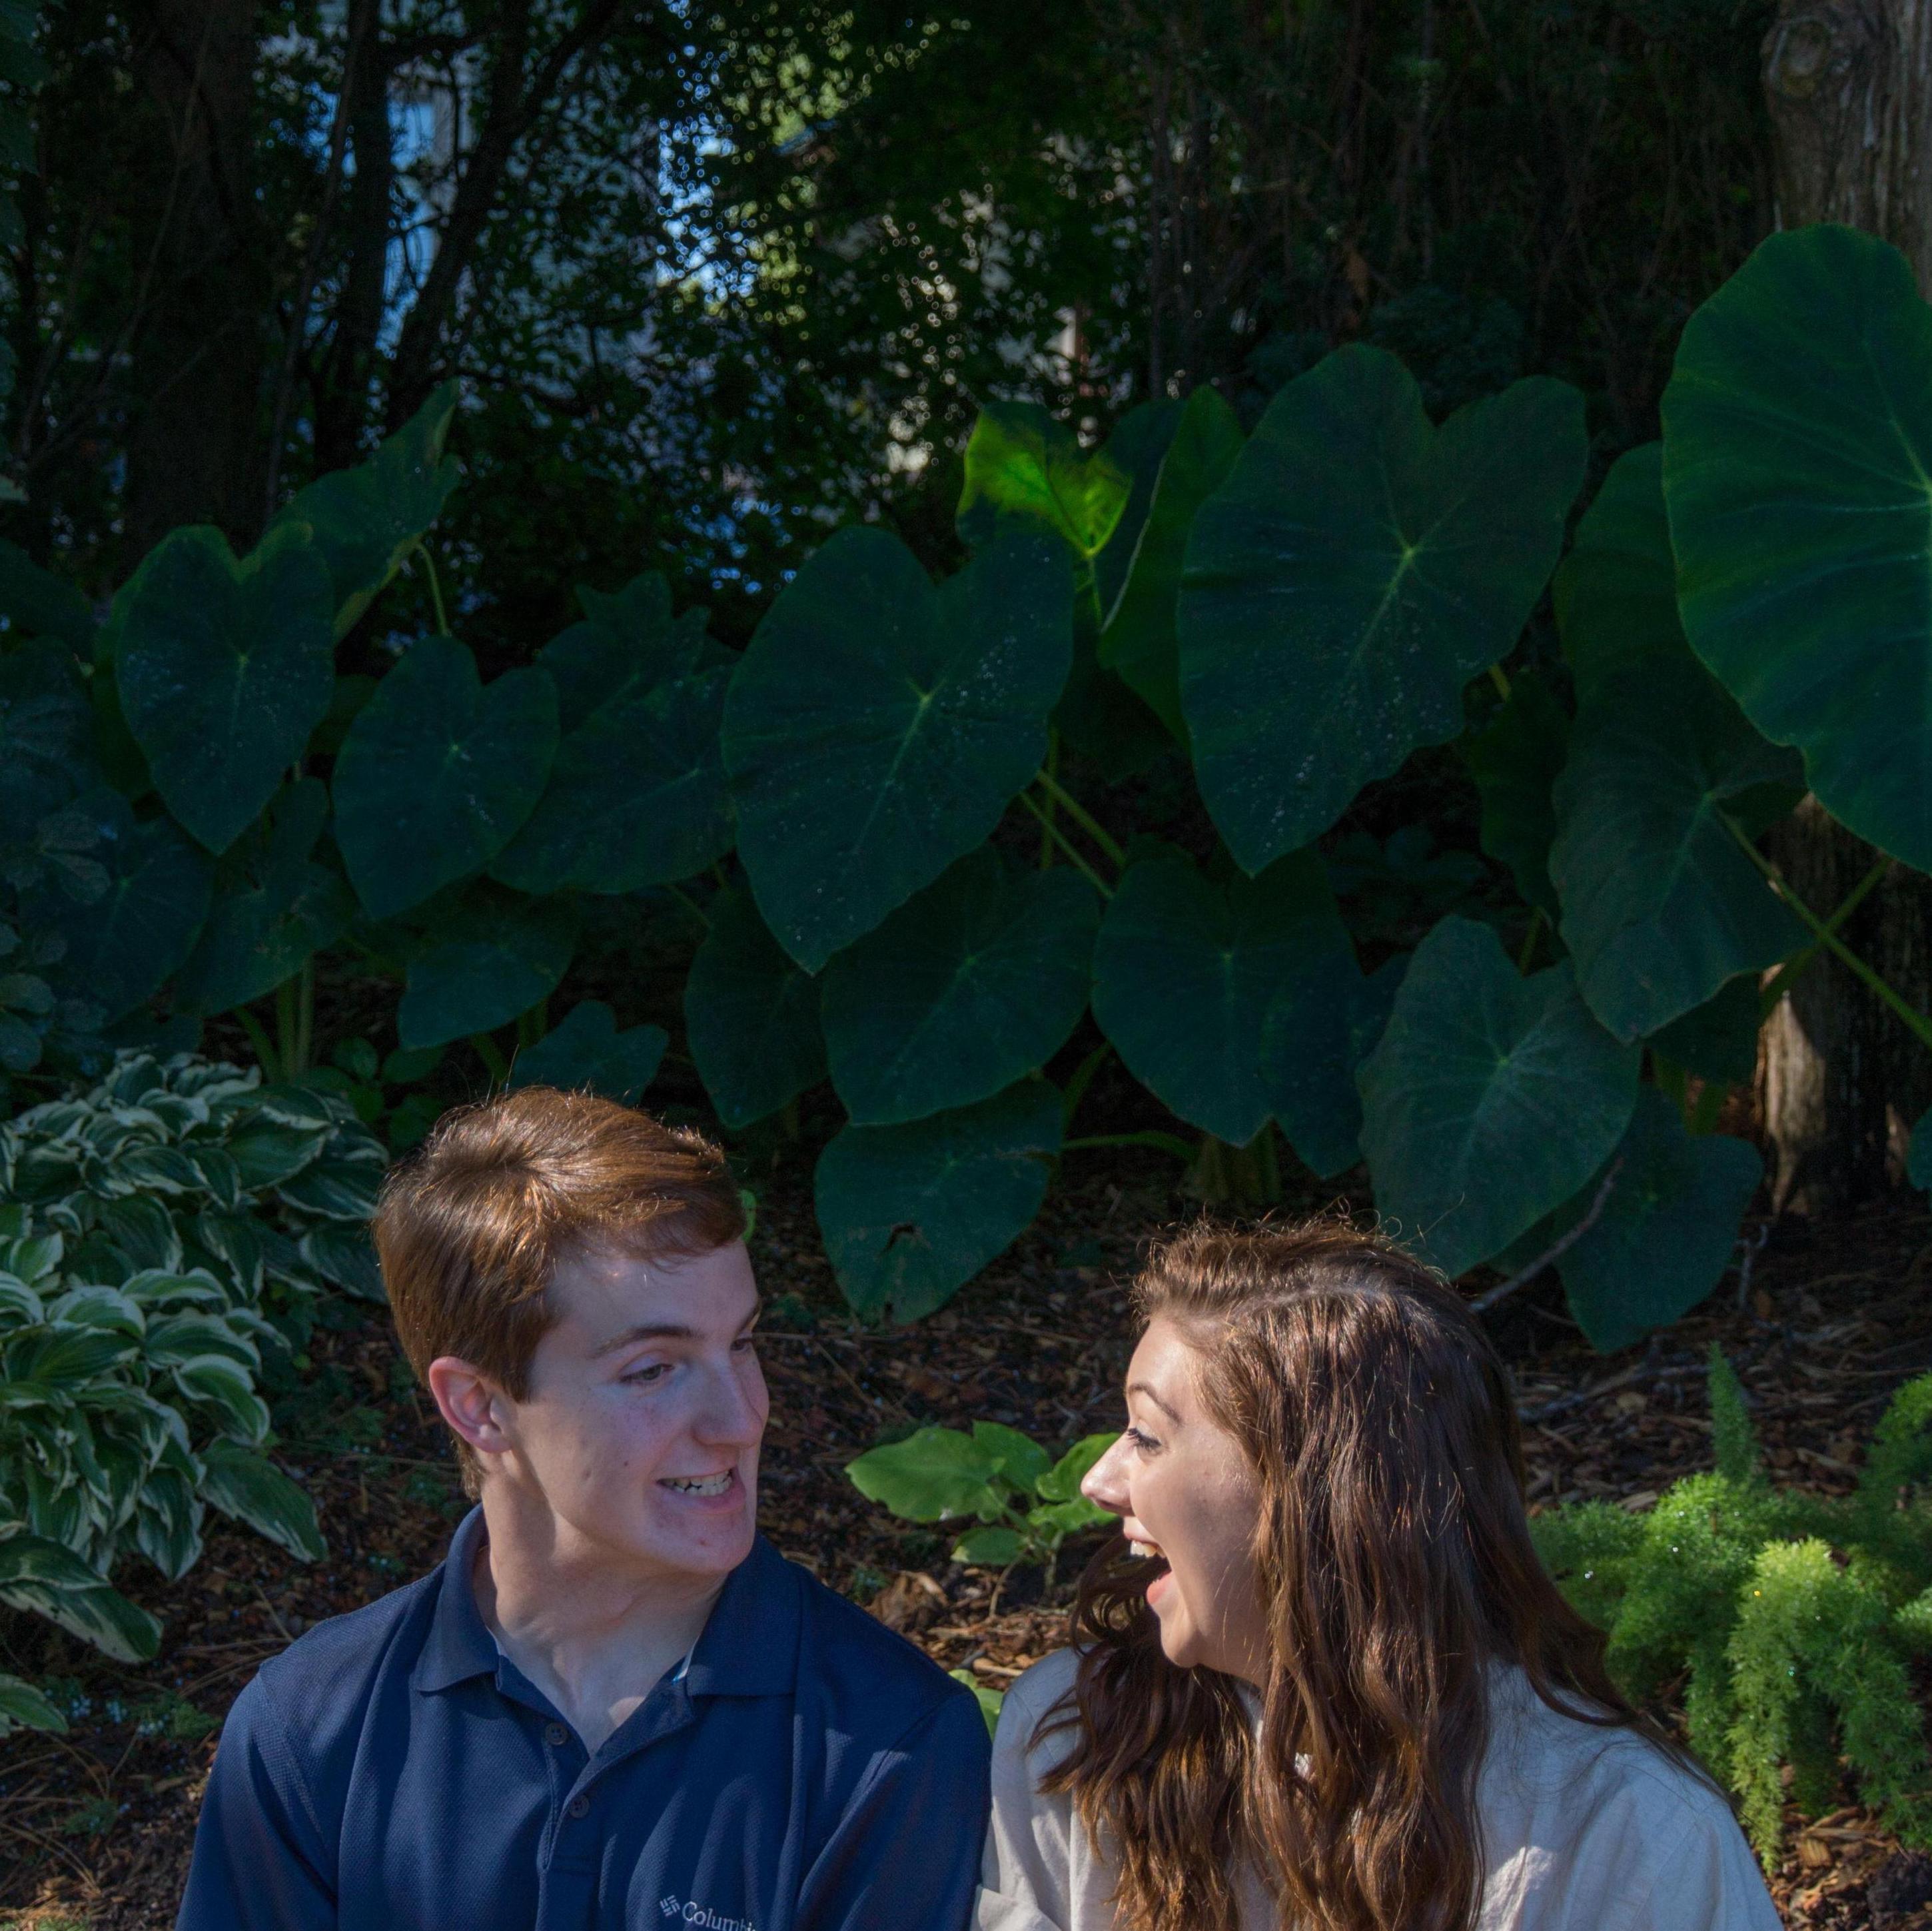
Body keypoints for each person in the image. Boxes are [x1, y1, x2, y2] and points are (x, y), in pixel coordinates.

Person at [177, 1085, 989, 1931]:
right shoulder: (310, 1731)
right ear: (480, 1407)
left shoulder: (889, 1741)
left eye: (741, 1342)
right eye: (652, 1369)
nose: (743, 1418)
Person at [977, 1219, 1781, 1931]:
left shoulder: (1629, 1834)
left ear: (1316, 1503)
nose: (1101, 1481)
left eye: (1147, 1436)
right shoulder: (1077, 1740)